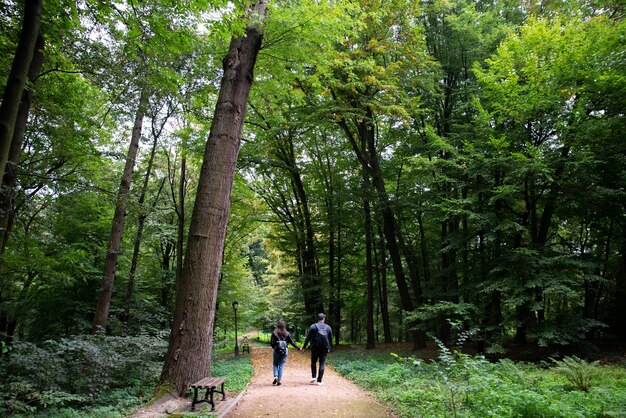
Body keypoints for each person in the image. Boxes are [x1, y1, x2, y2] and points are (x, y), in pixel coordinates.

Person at [301, 312, 333, 385]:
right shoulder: (328, 327)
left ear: (317, 319)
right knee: (322, 363)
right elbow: (330, 339)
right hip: (324, 348)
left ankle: (313, 377)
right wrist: (329, 348)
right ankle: (319, 381)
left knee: (313, 362)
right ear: (324, 319)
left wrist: (304, 347)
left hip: (315, 347)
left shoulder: (313, 326)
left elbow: (308, 338)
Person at [270, 319, 300, 386]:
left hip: (277, 350)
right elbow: (291, 342)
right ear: (284, 326)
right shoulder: (286, 333)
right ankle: (279, 379)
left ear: (278, 325)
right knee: (281, 365)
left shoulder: (274, 332)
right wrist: (297, 348)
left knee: (275, 364)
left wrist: (274, 347)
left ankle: (276, 376)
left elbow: (271, 343)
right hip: (284, 350)